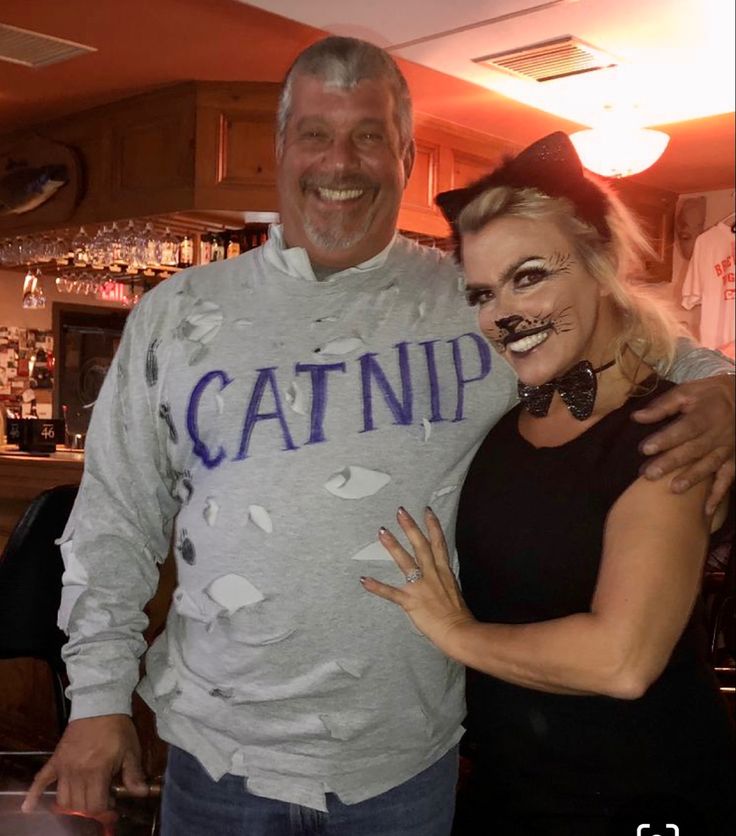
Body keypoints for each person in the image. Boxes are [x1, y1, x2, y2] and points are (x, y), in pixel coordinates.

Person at [23, 38, 734, 836]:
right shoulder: (176, 314)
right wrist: (95, 701)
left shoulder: (473, 297)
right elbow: (116, 519)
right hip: (219, 752)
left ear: (404, 156)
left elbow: (626, 333)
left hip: (405, 761)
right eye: (317, 134)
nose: (342, 161)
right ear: (280, 147)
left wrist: (723, 387)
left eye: (369, 135)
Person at [361, 132, 736, 835]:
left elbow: (622, 659)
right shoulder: (507, 421)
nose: (502, 312)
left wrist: (456, 633)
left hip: (638, 800)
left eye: (528, 275)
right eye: (483, 291)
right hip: (507, 787)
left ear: (601, 266)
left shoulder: (671, 429)